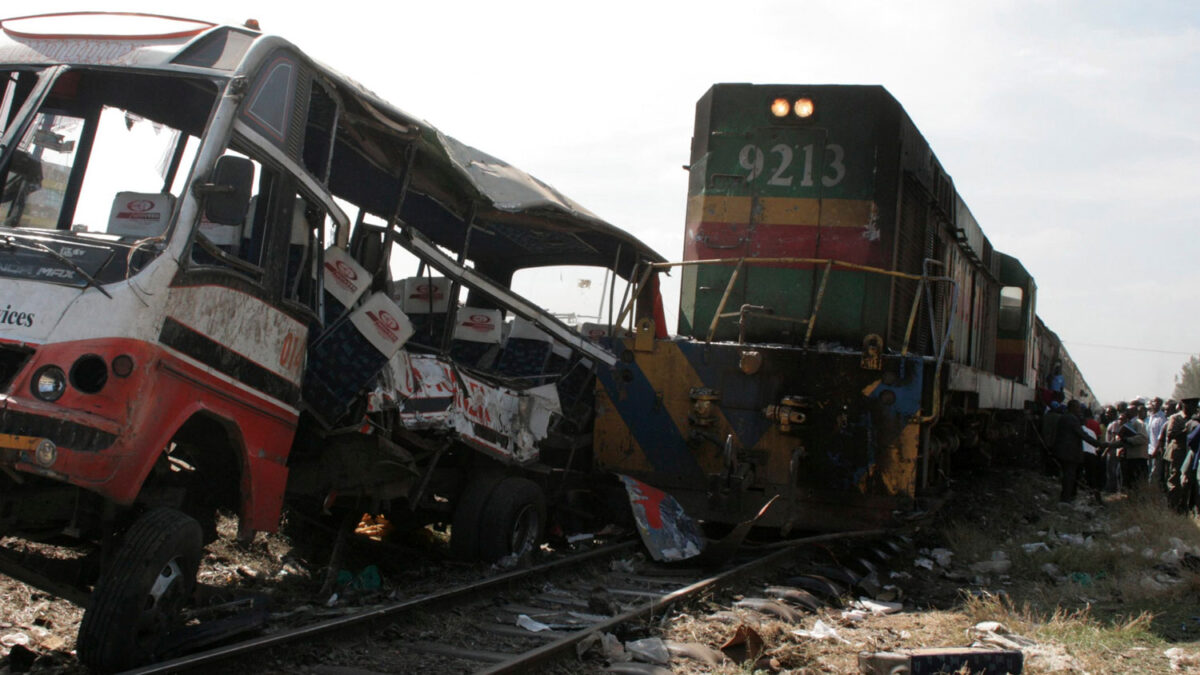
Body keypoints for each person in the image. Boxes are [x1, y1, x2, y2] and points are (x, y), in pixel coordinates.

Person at [1052, 400, 1107, 502]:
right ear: (1072, 408)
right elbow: (1083, 435)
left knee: (1068, 475)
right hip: (1069, 453)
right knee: (1069, 476)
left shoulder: (1064, 417)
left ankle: (1066, 496)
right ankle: (1066, 498)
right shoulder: (1072, 419)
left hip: (1064, 452)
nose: (1079, 410)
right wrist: (1099, 444)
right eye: (1078, 408)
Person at [1163, 398, 1199, 513]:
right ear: (1184, 405)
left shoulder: (1195, 419)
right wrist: (1186, 430)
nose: (1193, 407)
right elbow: (1170, 435)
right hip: (1177, 452)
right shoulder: (1176, 418)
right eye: (1191, 405)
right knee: (1175, 480)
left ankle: (1184, 506)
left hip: (1190, 453)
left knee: (1188, 481)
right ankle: (1172, 507)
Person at [1109, 408, 1149, 491]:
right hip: (1129, 457)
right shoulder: (1128, 424)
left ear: (1135, 412)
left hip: (1138, 457)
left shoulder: (1138, 423)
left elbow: (1143, 438)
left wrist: (1128, 439)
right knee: (1129, 483)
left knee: (1137, 483)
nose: (1127, 412)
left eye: (1130, 410)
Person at [1146, 397, 1168, 490]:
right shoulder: (1150, 417)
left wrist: (1156, 449)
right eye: (1153, 402)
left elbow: (1161, 437)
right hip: (1148, 449)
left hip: (1156, 450)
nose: (1154, 404)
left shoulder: (1162, 418)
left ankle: (1154, 493)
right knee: (1148, 471)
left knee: (1154, 473)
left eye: (1156, 403)